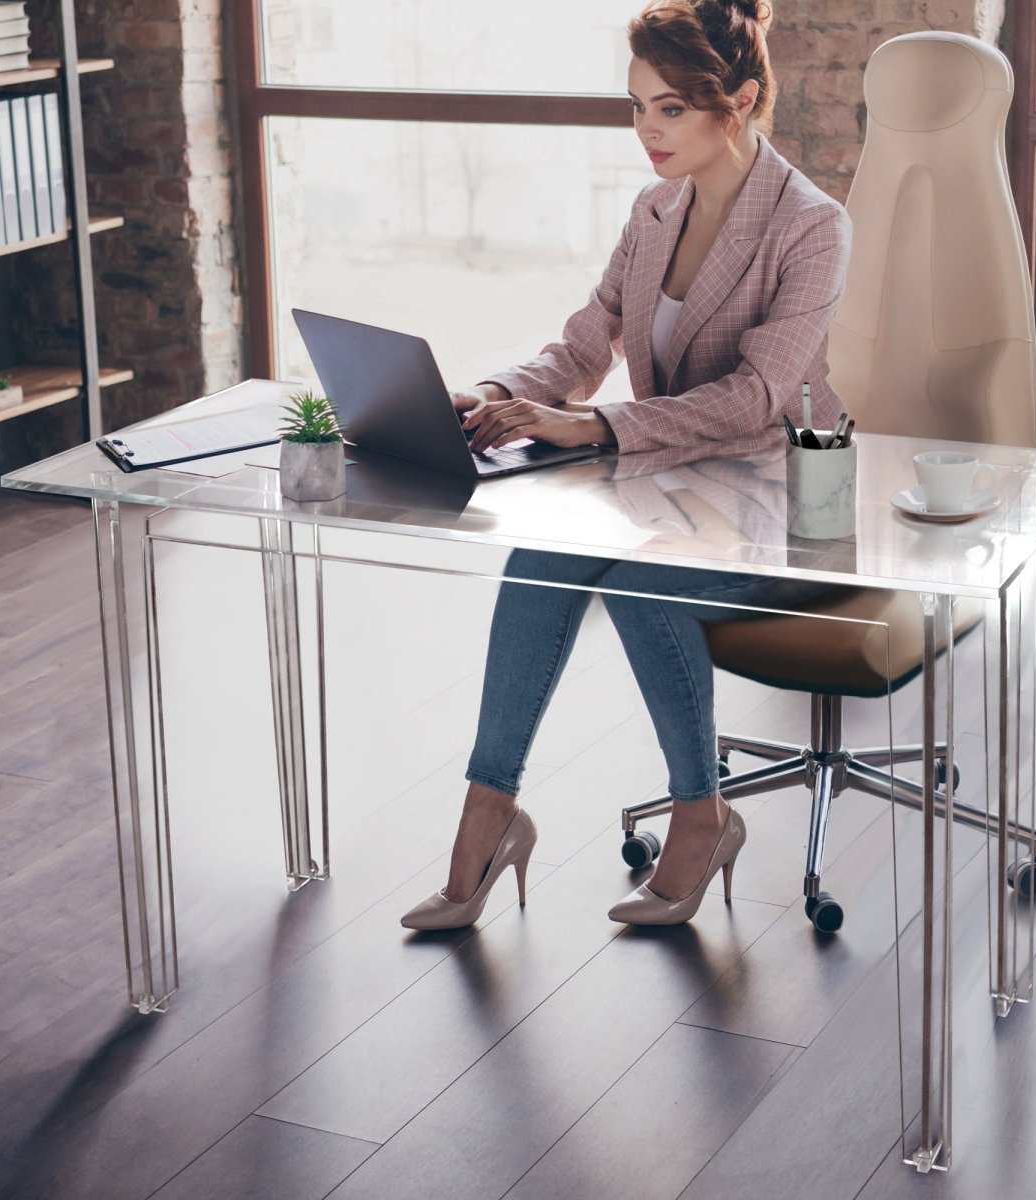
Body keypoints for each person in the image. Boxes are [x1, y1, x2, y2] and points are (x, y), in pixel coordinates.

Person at [401, 0, 851, 931]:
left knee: (646, 573)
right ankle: (489, 816)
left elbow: (758, 396)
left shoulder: (811, 225)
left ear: (744, 101)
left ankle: (701, 812)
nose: (648, 130)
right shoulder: (655, 209)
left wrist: (597, 429)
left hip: (781, 493)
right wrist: (492, 390)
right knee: (540, 557)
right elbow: (583, 343)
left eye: (672, 109)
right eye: (637, 105)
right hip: (668, 481)